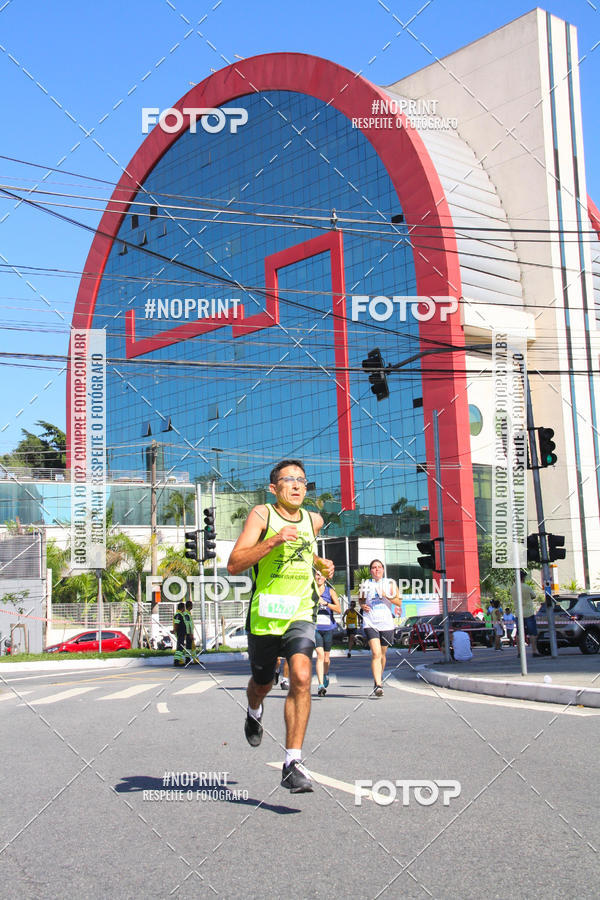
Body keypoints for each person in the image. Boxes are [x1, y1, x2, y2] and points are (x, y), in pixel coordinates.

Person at [227, 459, 334, 793]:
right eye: (289, 480)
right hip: (265, 614)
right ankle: (254, 710)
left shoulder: (313, 520)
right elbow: (234, 564)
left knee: (302, 676)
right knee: (262, 682)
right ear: (274, 489)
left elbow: (304, 553)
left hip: (301, 610)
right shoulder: (262, 514)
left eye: (302, 479)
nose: (297, 485)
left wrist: (321, 563)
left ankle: (293, 762)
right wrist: (273, 540)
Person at [359, 559, 400, 697]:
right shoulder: (366, 584)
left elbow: (399, 602)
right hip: (370, 622)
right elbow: (361, 600)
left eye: (379, 567)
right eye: (374, 568)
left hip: (386, 623)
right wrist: (362, 606)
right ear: (370, 570)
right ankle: (378, 684)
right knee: (376, 653)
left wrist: (386, 595)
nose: (377, 570)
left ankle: (378, 678)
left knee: (382, 655)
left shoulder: (390, 583)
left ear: (383, 569)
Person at [315, 572, 341, 696]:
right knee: (319, 655)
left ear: (325, 578)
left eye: (321, 575)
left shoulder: (330, 592)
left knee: (326, 658)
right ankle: (320, 685)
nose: (319, 577)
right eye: (317, 575)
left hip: (328, 628)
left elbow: (339, 609)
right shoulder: (311, 591)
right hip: (315, 628)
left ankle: (325, 674)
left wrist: (325, 603)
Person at [511, 570, 540, 656]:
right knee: (532, 633)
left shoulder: (513, 588)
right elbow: (534, 596)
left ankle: (519, 652)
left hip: (518, 613)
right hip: (529, 612)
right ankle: (534, 651)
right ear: (523, 578)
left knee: (519, 633)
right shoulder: (527, 587)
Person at [172, 601, 186, 666]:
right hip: (180, 633)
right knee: (180, 647)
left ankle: (179, 660)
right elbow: (176, 624)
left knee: (180, 647)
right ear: (182, 608)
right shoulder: (178, 615)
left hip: (182, 633)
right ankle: (177, 661)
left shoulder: (180, 614)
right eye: (184, 607)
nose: (185, 609)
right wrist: (174, 630)